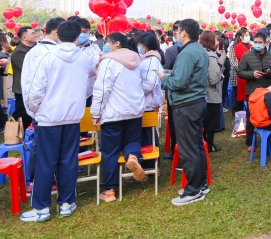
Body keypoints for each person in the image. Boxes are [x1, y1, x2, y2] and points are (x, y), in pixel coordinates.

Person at [19, 21, 96, 222]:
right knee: (68, 160)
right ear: (77, 36)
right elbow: (89, 85)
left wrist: (35, 111)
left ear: (57, 34)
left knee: (46, 162)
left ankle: (42, 208)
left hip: (49, 117)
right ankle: (66, 203)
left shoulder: (46, 57)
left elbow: (34, 90)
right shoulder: (85, 59)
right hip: (72, 116)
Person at [157, 19, 209, 205]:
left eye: (177, 31)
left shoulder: (187, 52)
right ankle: (200, 183)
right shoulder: (198, 49)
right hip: (195, 101)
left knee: (188, 148)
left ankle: (193, 189)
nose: (176, 34)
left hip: (186, 104)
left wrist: (164, 78)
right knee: (195, 144)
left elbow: (179, 82)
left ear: (184, 33)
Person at [91, 33, 146, 203]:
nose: (106, 46)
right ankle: (133, 157)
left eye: (107, 43)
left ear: (116, 44)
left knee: (110, 151)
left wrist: (96, 113)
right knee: (132, 140)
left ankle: (110, 190)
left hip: (113, 112)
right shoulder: (136, 59)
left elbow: (102, 89)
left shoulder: (109, 62)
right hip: (134, 110)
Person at [20, 17, 65, 187]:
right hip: (42, 109)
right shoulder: (37, 52)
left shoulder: (57, 51)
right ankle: (35, 180)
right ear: (56, 31)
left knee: (53, 147)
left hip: (56, 109)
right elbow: (29, 85)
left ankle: (53, 179)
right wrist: (33, 109)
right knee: (41, 146)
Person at [238, 32, 271, 151]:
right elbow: (240, 72)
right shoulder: (247, 55)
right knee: (251, 116)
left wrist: (269, 73)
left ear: (266, 43)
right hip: (253, 91)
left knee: (270, 115)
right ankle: (250, 142)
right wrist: (252, 74)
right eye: (255, 42)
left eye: (260, 42)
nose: (257, 44)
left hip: (268, 90)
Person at [136, 32, 164, 163]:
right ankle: (150, 163)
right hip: (146, 101)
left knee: (148, 135)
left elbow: (149, 84)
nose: (139, 47)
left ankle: (150, 164)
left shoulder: (151, 60)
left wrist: (134, 93)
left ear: (145, 45)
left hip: (147, 102)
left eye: (140, 44)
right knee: (147, 134)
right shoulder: (147, 58)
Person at [199, 30, 225, 152]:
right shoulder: (211, 56)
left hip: (201, 93)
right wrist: (221, 75)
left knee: (204, 122)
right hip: (211, 94)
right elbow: (214, 78)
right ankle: (209, 146)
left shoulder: (200, 53)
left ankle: (205, 143)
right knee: (211, 124)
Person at [10, 26, 37, 129]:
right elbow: (29, 69)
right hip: (22, 89)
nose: (35, 35)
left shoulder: (34, 48)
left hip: (31, 87)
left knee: (28, 116)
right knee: (22, 115)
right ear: (24, 37)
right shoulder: (19, 51)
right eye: (32, 33)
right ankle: (13, 133)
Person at [162, 20, 181, 159]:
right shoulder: (199, 49)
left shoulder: (171, 51)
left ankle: (176, 150)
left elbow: (166, 69)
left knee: (175, 123)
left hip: (175, 93)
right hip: (193, 97)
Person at [233, 27, 251, 110]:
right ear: (241, 37)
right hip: (243, 72)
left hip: (251, 72)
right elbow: (242, 58)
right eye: (246, 35)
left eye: (248, 35)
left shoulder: (251, 45)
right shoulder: (237, 47)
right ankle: (239, 112)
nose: (248, 37)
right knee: (242, 96)